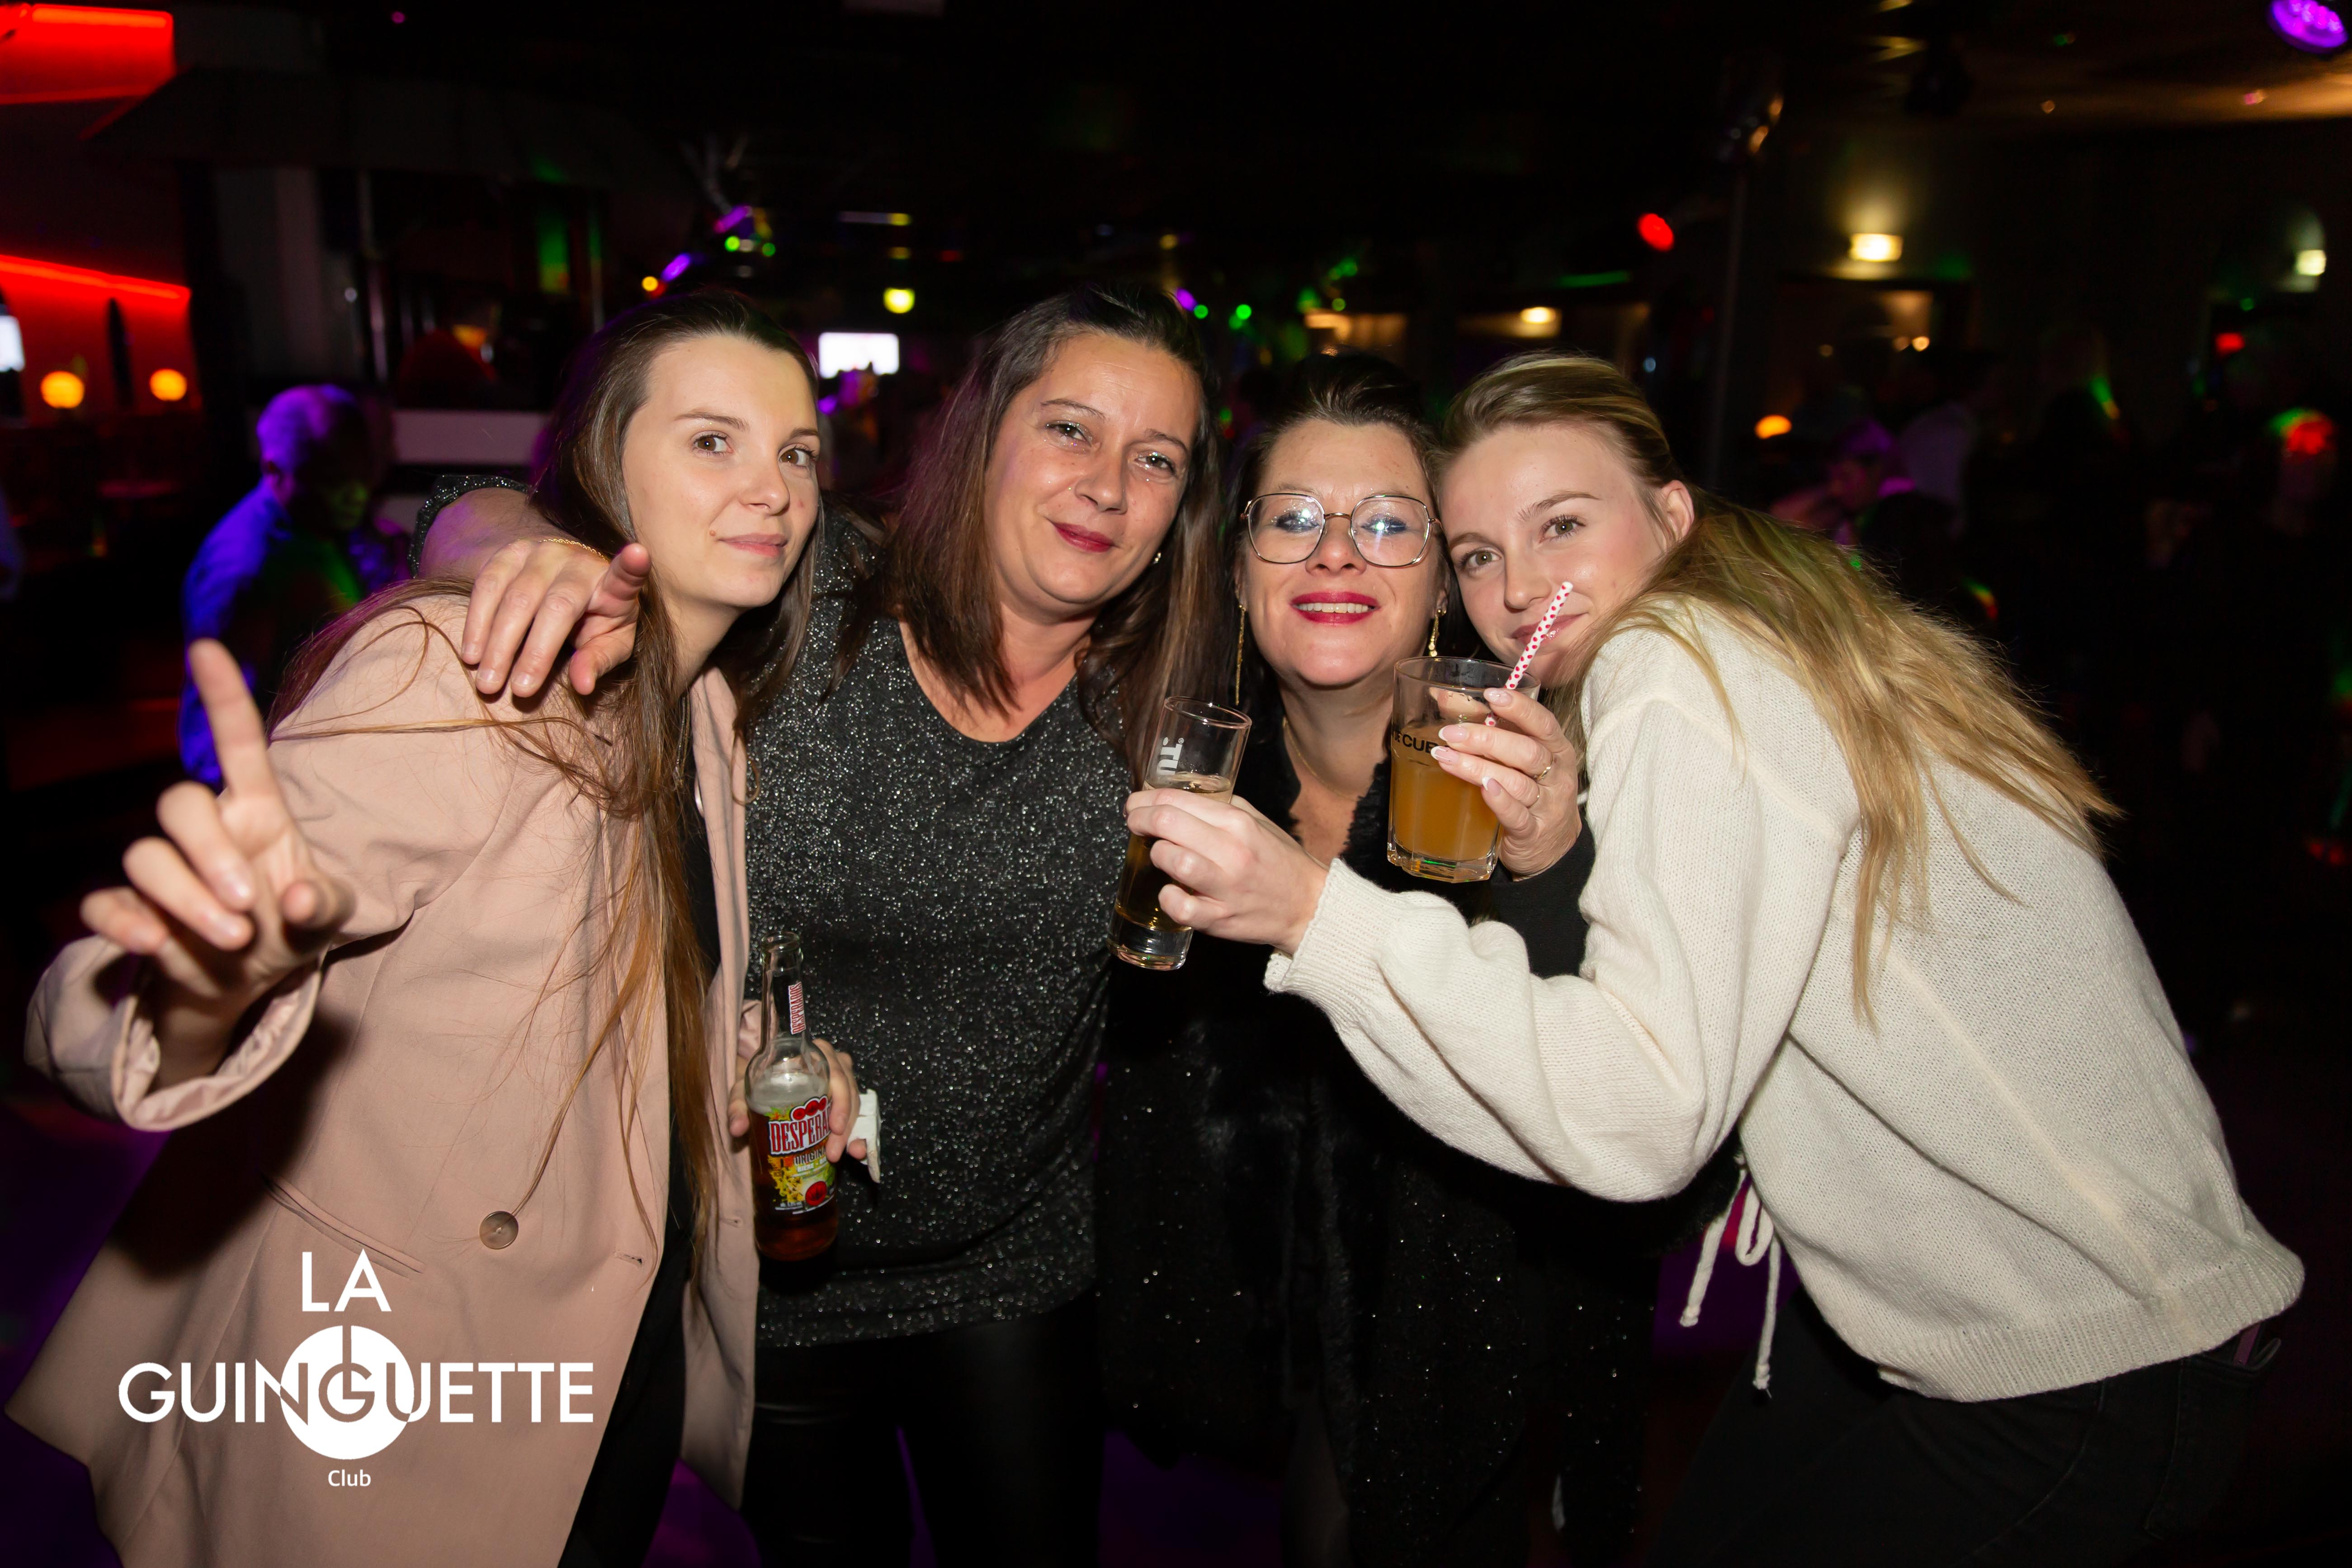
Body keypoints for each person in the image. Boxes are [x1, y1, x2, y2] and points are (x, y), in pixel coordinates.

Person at [1124, 352, 2303, 1566]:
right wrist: (1551, 855)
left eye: (1561, 524)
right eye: (1480, 553)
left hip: (2081, 1346)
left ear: (1672, 514)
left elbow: (1644, 1118)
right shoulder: (1718, 651)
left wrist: (1315, 913)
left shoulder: (1676, 665)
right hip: (1938, 1321)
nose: (1518, 586)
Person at [12, 291, 862, 1567]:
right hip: (400, 1396)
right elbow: (95, 1005)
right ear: (603, 463)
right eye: (711, 440)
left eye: (796, 450)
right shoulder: (460, 668)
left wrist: (758, 1069)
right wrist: (202, 976)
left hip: (606, 1372)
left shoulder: (712, 720)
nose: (773, 488)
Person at [410, 282, 1226, 1566]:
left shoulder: (1170, 700)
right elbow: (466, 501)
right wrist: (522, 552)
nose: (1108, 486)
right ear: (983, 431)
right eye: (1070, 428)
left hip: (1013, 1266)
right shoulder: (812, 584)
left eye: (1157, 458)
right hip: (769, 1269)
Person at [1099, 354, 1722, 1568]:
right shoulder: (1166, 767)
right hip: (1210, 1382)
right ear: (1236, 565)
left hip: (1465, 1376)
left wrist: (1554, 869)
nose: (1336, 555)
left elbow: (1654, 1139)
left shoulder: (1562, 777)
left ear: (1446, 576)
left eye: (1388, 523)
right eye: (1293, 519)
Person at [179, 385, 400, 786]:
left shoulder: (322, 527)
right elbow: (226, 726)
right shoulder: (244, 568)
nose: (356, 493)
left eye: (362, 472)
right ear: (274, 470)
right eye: (332, 478)